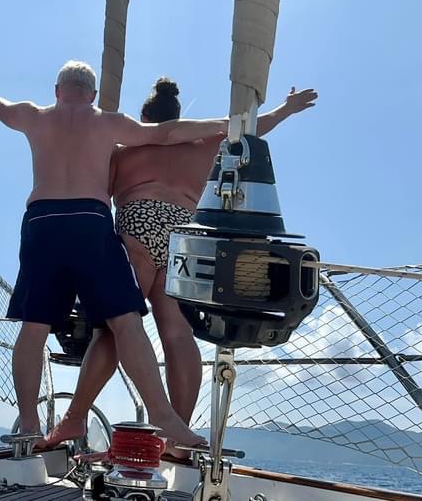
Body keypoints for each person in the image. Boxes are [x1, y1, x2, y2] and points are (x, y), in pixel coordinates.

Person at [0, 41, 231, 449]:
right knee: (125, 321)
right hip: (89, 222)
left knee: (34, 327)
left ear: (57, 90)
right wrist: (225, 124)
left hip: (42, 222)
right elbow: (165, 134)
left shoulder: (34, 115)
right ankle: (163, 417)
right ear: (92, 95)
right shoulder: (109, 123)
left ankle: (29, 424)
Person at [43, 77, 318, 454]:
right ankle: (178, 436)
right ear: (179, 116)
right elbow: (250, 129)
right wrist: (287, 109)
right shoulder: (206, 146)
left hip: (138, 225)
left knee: (114, 327)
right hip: (183, 237)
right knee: (177, 334)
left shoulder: (125, 148)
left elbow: (93, 187)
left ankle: (75, 416)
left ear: (144, 119)